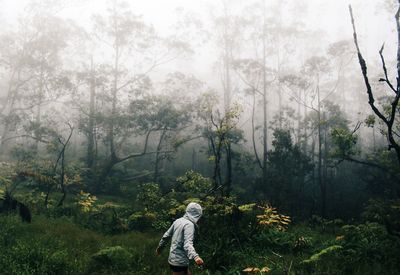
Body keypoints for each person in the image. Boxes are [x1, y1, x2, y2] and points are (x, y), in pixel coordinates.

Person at [156, 202, 204, 275]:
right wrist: (196, 257)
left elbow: (166, 236)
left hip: (174, 259)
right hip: (179, 262)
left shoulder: (178, 221)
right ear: (198, 214)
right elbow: (187, 244)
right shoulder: (189, 225)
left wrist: (159, 248)